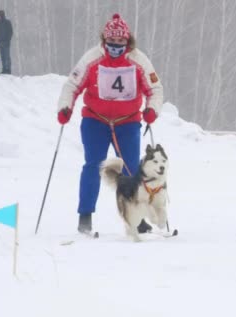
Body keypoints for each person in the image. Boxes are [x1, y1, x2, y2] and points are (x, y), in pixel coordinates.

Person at [56, 13, 163, 234]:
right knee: (93, 165)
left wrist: (152, 109)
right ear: (104, 41)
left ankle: (137, 217)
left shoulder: (138, 60)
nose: (116, 47)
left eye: (120, 43)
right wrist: (65, 107)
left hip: (127, 122)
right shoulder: (92, 58)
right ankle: (85, 216)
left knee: (132, 169)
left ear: (128, 41)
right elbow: (72, 85)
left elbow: (155, 89)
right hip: (96, 120)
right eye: (111, 43)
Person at [0, 10, 13, 74]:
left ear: (1, 15)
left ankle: (8, 70)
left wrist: (8, 39)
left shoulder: (7, 22)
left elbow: (10, 32)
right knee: (2, 57)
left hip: (6, 42)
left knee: (7, 57)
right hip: (0, 43)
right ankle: (4, 69)